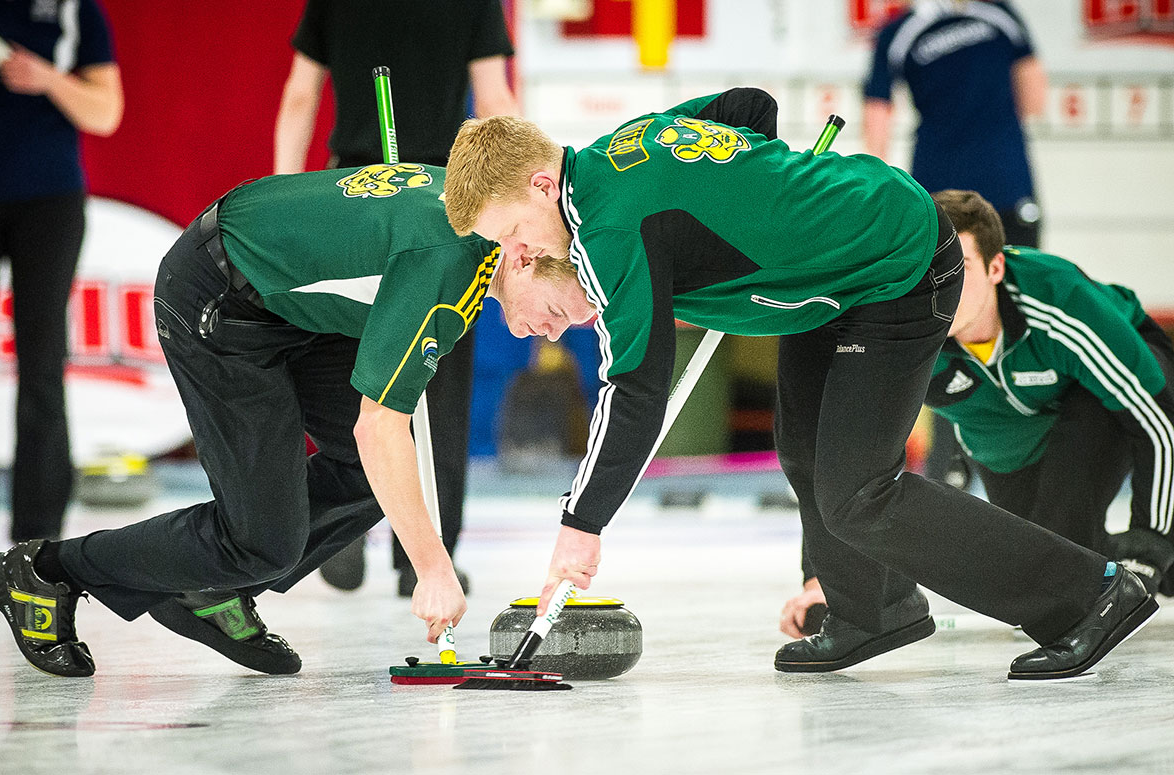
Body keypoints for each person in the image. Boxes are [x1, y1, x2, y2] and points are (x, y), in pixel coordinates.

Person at [442, 87, 1158, 681]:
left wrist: (581, 523)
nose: (520, 252)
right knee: (803, 448)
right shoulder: (625, 145)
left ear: (541, 184)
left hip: (894, 261)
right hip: (829, 281)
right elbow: (750, 109)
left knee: (861, 490)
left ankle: (1089, 594)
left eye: (511, 234)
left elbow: (633, 389)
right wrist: (766, 188)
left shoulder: (608, 228)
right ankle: (873, 608)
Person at [0, 161, 590, 677]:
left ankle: (216, 587)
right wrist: (433, 567)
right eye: (558, 311)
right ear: (526, 258)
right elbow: (378, 427)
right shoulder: (446, 275)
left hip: (290, 301)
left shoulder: (479, 215)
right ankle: (46, 569)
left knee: (370, 475)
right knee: (262, 540)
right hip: (220, 293)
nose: (553, 332)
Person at [780, 189, 1174, 638]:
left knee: (1085, 562)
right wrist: (825, 580)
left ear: (995, 268)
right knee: (1040, 570)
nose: (940, 283)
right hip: (1005, 437)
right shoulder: (905, 327)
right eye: (927, 268)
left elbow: (1156, 418)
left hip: (1098, 404)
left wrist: (1149, 545)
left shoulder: (1056, 298)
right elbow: (841, 462)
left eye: (958, 267)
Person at [273, 0, 520, 594]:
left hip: (353, 199)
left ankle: (342, 530)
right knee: (438, 378)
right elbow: (494, 104)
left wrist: (284, 198)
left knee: (351, 374)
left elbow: (299, 98)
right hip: (446, 199)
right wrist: (518, 199)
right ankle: (427, 557)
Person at [863, 0, 1048, 488]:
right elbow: (1034, 99)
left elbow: (876, 122)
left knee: (945, 324)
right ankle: (1017, 455)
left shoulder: (902, 30)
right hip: (1005, 188)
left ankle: (953, 463)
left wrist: (872, 201)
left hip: (945, 197)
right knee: (1019, 315)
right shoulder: (999, 17)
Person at [0, 0, 123, 544]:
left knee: (42, 362)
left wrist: (47, 79)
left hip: (49, 202)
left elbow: (106, 113)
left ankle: (36, 537)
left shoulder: (74, 10)